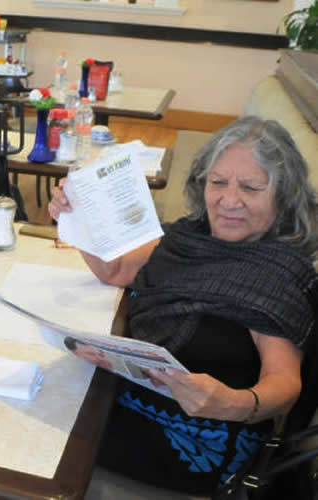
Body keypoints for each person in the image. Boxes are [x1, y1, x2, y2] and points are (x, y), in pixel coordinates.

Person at [49, 116, 318, 495]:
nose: (228, 200)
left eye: (251, 188)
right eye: (218, 182)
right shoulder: (186, 239)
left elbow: (286, 384)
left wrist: (233, 403)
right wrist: (75, 215)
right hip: (120, 404)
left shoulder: (277, 274)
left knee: (35, 454)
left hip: (193, 443)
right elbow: (118, 269)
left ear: (284, 196)